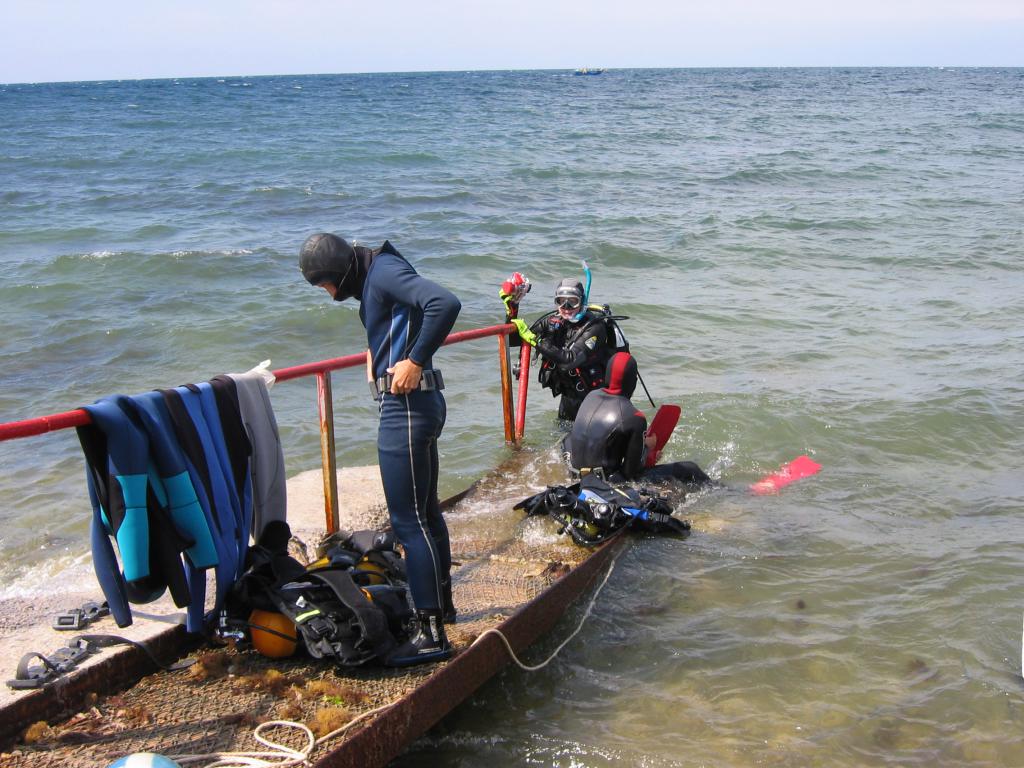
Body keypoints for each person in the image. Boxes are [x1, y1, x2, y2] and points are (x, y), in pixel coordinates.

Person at [299, 233, 461, 666]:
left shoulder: (385, 271)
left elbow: (444, 303)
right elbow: (403, 319)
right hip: (418, 405)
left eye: (326, 286)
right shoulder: (376, 275)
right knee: (425, 514)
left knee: (409, 522)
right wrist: (380, 349)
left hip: (406, 408)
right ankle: (441, 609)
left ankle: (430, 635)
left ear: (339, 271)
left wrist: (414, 360)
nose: (330, 296)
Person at [568, 351, 712, 487]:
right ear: (633, 381)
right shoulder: (635, 417)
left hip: (577, 478)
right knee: (691, 469)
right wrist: (647, 449)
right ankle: (726, 495)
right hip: (608, 484)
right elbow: (631, 473)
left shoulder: (590, 396)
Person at [531, 278, 617, 421]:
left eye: (572, 301)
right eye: (561, 301)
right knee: (562, 438)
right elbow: (516, 339)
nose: (566, 307)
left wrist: (539, 342)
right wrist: (512, 307)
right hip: (568, 399)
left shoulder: (594, 327)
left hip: (594, 400)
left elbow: (570, 361)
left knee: (587, 440)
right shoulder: (553, 322)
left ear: (582, 301)